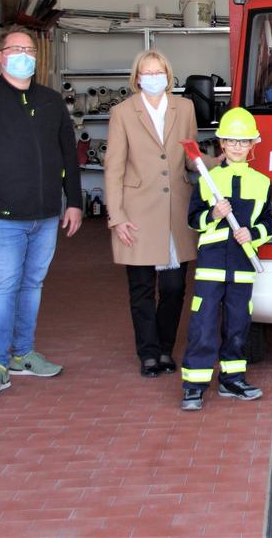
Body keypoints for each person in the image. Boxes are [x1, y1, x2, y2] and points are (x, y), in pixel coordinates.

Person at [0, 28, 82, 398]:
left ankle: (23, 354)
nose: (24, 55)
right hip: (0, 216)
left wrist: (73, 201)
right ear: (0, 55)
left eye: (29, 50)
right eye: (15, 49)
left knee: (32, 286)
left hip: (44, 216)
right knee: (3, 287)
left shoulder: (51, 101)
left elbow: (67, 155)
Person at [103, 50, 200, 377]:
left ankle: (164, 347)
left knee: (174, 288)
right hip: (137, 211)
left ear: (168, 75)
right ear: (137, 77)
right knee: (141, 287)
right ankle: (148, 353)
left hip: (175, 210)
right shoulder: (122, 112)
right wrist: (116, 216)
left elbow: (191, 156)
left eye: (159, 71)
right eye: (147, 72)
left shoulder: (184, 107)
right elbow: (113, 167)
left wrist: (225, 159)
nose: (154, 77)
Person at [180, 108, 272, 411]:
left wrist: (254, 234)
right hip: (211, 264)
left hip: (243, 266)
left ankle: (232, 379)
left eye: (243, 141)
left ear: (253, 144)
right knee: (203, 324)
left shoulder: (263, 183)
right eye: (231, 141)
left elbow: (270, 224)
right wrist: (213, 214)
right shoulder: (208, 180)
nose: (237, 147)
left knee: (238, 324)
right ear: (221, 143)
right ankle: (194, 385)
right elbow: (193, 220)